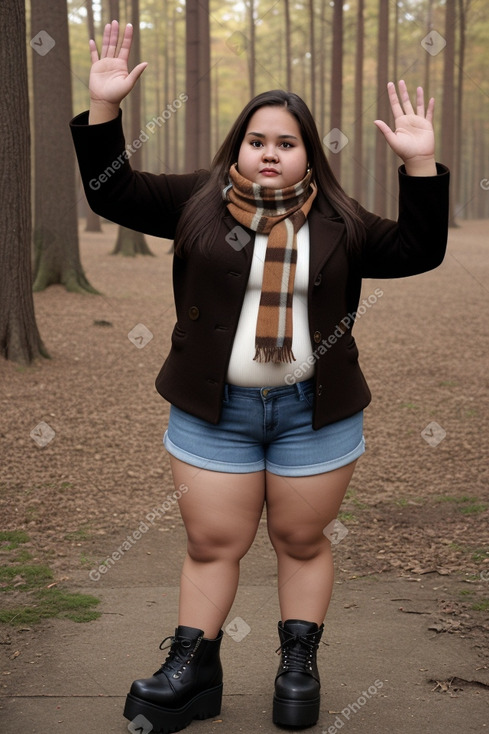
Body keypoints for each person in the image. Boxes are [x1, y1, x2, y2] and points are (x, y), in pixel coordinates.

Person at [70, 20, 449, 734]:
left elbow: (417, 250)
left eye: (285, 141)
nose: (269, 153)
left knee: (301, 543)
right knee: (211, 545)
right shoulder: (196, 202)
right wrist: (104, 110)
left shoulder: (340, 219)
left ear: (307, 153)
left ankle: (296, 668)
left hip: (316, 413)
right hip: (214, 412)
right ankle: (191, 669)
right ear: (238, 147)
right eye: (257, 140)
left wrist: (419, 164)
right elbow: (110, 193)